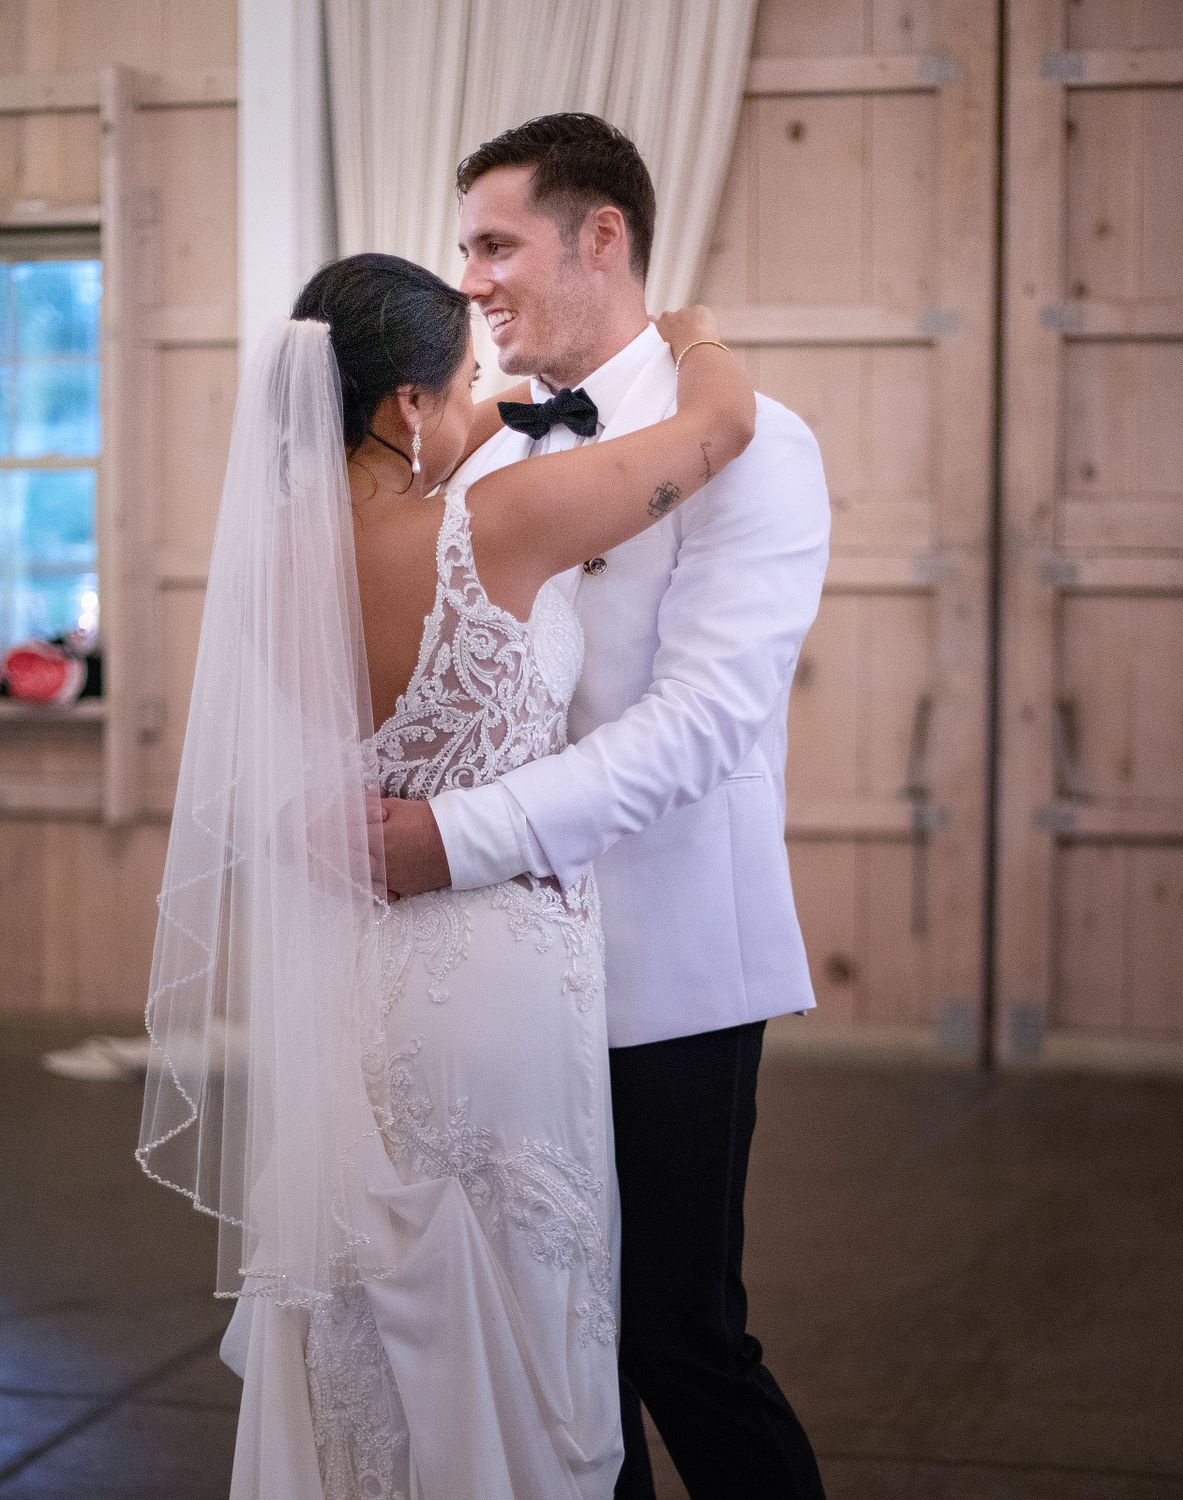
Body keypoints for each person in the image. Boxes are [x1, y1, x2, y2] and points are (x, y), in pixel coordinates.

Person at [136, 246, 756, 1499]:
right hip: (492, 980)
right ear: (403, 405)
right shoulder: (500, 524)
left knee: (376, 1329)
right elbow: (722, 428)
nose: (486, 406)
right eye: (466, 381)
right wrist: (693, 331)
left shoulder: (271, 571)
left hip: (359, 979)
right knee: (522, 1311)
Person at [379, 114, 831, 1498]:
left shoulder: (758, 444)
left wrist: (453, 839)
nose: (474, 280)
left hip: (666, 963)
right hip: (499, 974)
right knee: (547, 1344)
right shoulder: (477, 453)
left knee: (678, 1340)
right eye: (465, 249)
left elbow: (700, 724)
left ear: (604, 238)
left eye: (499, 243)